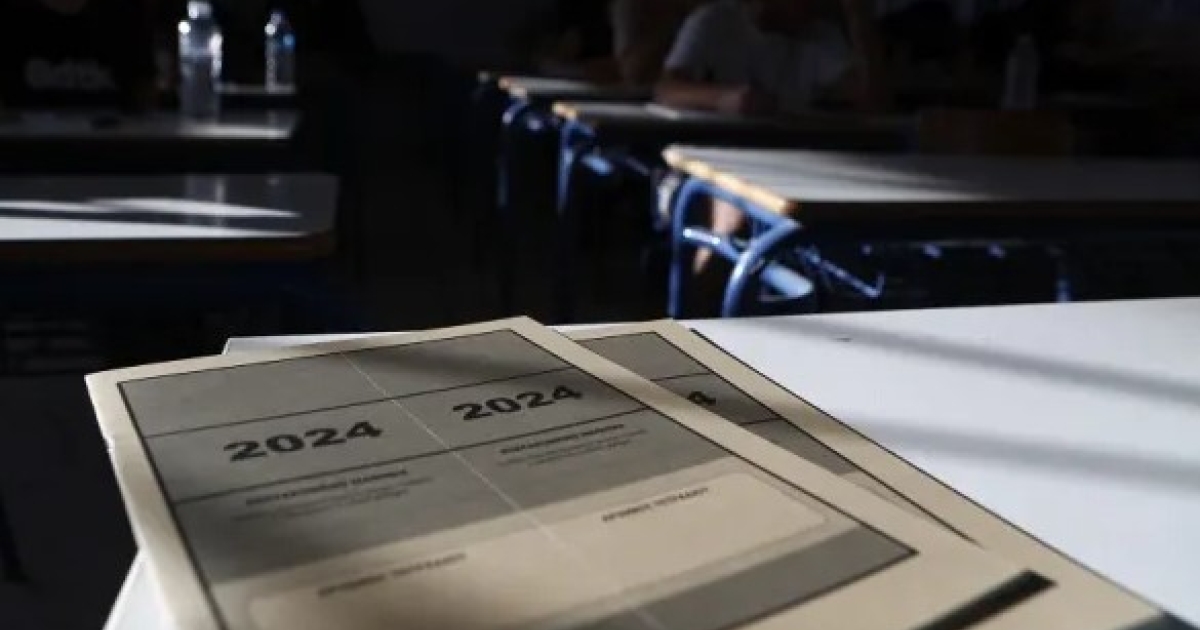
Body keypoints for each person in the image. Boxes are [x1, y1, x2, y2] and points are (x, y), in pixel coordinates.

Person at [654, 0, 889, 115]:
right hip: (718, 150)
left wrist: (860, 20)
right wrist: (723, 99)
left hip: (788, 155)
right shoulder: (715, 20)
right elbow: (666, 89)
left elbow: (871, 100)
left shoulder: (820, 36)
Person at [0, 0, 157, 111]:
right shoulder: (14, 16)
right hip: (26, 144)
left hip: (111, 143)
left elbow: (145, 94)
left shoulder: (126, 14)